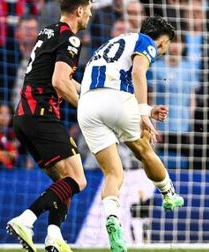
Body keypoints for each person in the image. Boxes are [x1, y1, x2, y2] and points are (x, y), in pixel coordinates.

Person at [77, 16, 184, 252]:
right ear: (162, 41)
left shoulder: (111, 44)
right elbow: (137, 73)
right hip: (115, 99)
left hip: (86, 106)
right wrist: (144, 111)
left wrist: (144, 109)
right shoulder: (146, 42)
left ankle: (112, 218)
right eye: (166, 45)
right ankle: (169, 193)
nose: (164, 50)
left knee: (113, 173)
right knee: (144, 150)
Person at [7, 0, 93, 252]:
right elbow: (59, 82)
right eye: (88, 9)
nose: (90, 15)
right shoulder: (72, 39)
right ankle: (27, 219)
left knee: (63, 183)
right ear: (79, 10)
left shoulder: (48, 32)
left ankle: (54, 236)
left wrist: (91, 92)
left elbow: (61, 78)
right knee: (79, 180)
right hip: (42, 116)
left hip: (24, 117)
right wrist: (87, 110)